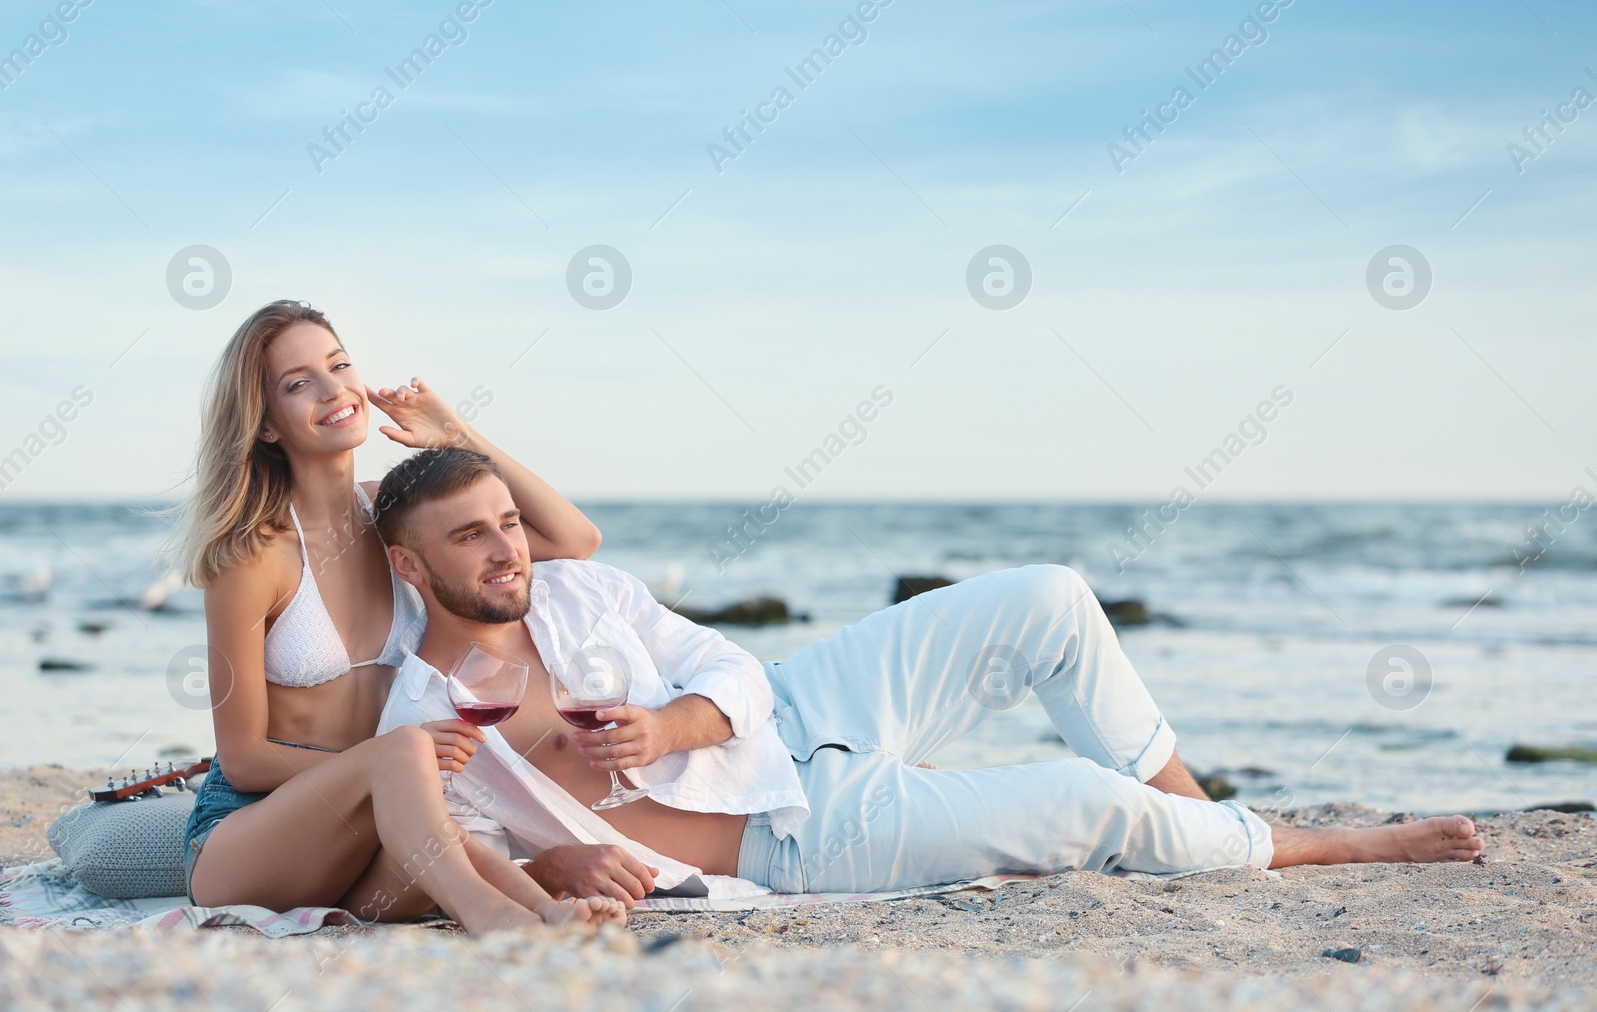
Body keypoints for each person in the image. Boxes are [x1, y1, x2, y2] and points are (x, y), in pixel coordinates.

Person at [375, 447, 1487, 906]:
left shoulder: (579, 592)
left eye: (509, 522)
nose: (507, 549)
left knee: (1049, 593)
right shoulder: (426, 716)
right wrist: (556, 851)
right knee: (1083, 802)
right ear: (408, 563)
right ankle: (1314, 841)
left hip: (805, 703)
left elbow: (726, 664)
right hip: (798, 830)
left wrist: (670, 726)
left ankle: (1201, 821)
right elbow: (448, 853)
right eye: (470, 537)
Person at [164, 300, 624, 932]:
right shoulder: (252, 556)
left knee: (440, 831)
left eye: (339, 364)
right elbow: (242, 757)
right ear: (266, 425)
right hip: (249, 836)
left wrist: (456, 435)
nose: (333, 390)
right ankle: (495, 921)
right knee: (411, 764)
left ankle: (549, 913)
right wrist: (391, 761)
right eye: (299, 384)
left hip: (372, 831)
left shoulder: (393, 521)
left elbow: (573, 539)